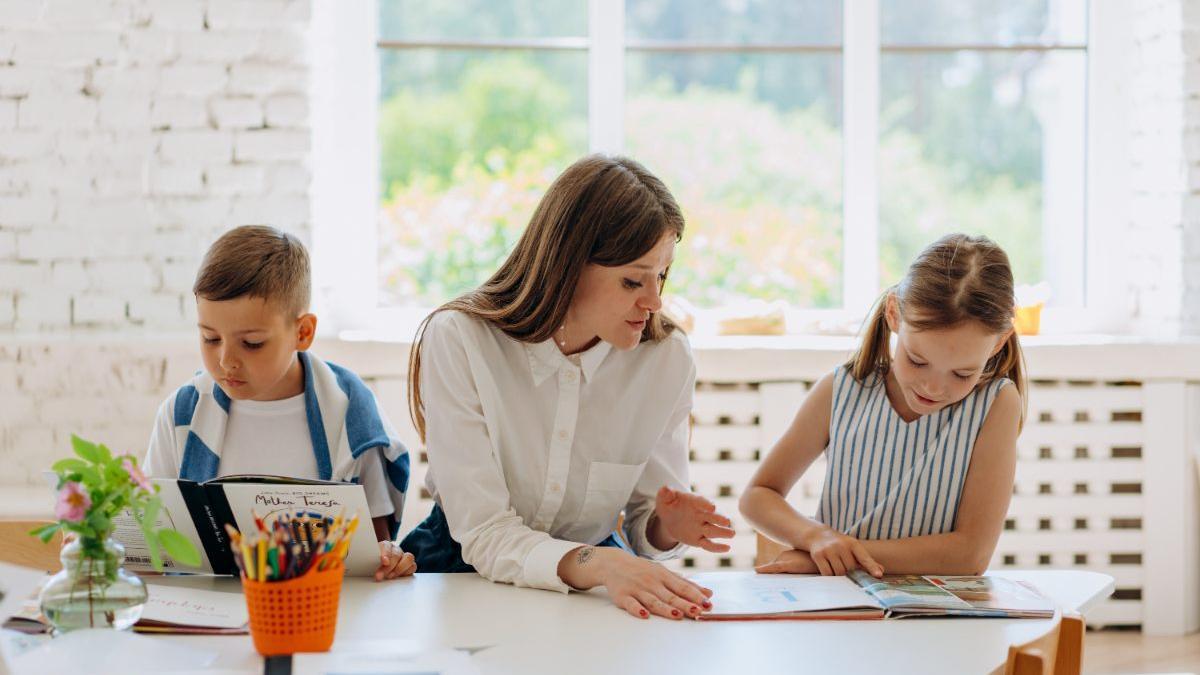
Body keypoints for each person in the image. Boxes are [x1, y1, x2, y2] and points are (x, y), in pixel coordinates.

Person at [401, 155, 735, 620]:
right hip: (459, 570)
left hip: (599, 578)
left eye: (661, 274)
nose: (655, 300)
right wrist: (601, 563)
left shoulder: (667, 358)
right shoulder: (461, 339)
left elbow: (645, 523)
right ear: (568, 264)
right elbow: (484, 532)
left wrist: (666, 527)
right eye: (632, 280)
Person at [742, 234, 1026, 577]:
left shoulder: (996, 404)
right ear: (894, 314)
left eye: (963, 373)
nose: (933, 387)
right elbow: (757, 495)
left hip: (938, 620)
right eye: (917, 360)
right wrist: (815, 537)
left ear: (997, 344)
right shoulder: (841, 389)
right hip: (843, 604)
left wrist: (837, 557)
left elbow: (968, 556)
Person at [144, 225, 416, 581]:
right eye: (210, 338)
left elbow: (373, 551)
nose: (226, 361)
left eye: (252, 343)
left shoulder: (352, 413)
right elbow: (151, 532)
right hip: (207, 618)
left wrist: (390, 559)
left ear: (302, 333)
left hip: (319, 614)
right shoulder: (182, 414)